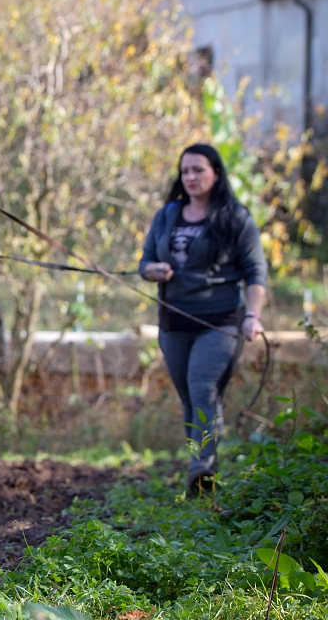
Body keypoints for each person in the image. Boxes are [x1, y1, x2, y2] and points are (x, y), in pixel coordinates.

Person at [139, 143, 267, 493]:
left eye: (198, 170)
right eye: (185, 171)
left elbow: (255, 272)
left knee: (203, 388)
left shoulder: (235, 218)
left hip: (220, 321)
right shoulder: (167, 215)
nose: (191, 177)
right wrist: (154, 270)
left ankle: (203, 470)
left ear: (216, 173)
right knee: (188, 398)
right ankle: (199, 465)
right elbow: (144, 262)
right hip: (174, 321)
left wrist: (252, 315)